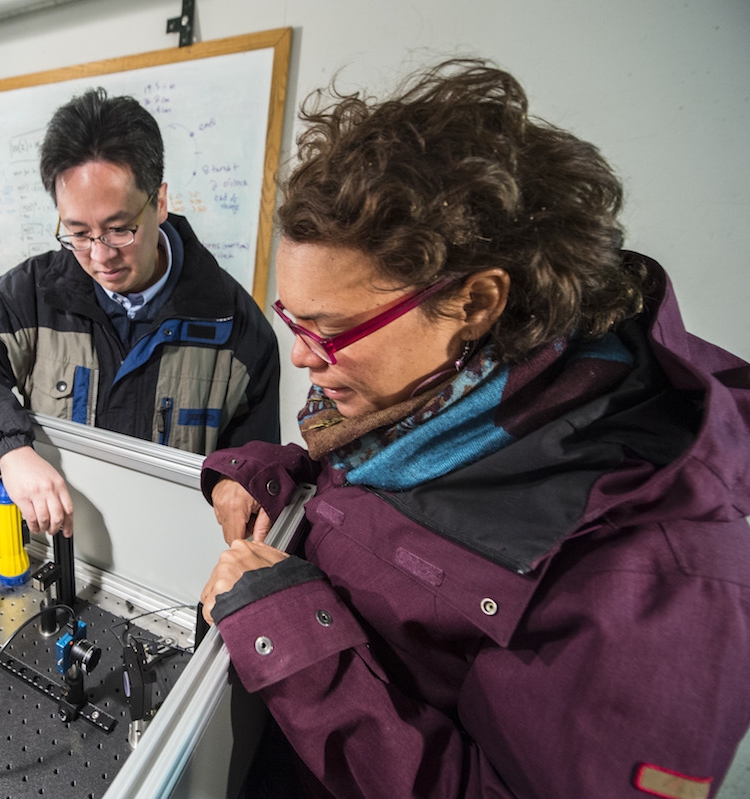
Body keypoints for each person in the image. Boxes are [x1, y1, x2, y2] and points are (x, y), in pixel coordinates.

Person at [198, 59, 750, 798]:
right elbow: (386, 508)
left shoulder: (662, 580)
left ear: (476, 301)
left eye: (329, 330)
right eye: (293, 319)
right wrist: (274, 476)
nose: (301, 356)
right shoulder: (443, 401)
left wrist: (290, 633)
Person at [0, 88, 280, 537]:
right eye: (78, 232)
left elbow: (255, 463)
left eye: (118, 230)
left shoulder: (236, 327)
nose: (100, 256)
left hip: (173, 557)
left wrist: (238, 479)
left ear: (159, 202)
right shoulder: (34, 294)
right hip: (68, 546)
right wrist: (9, 451)